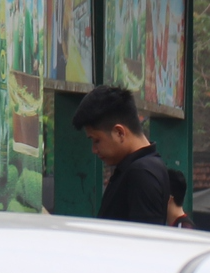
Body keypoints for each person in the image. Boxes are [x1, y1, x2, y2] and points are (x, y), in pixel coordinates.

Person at [72, 84, 171, 224]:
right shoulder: (149, 166)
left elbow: (144, 241)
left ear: (119, 133)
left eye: (96, 140)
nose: (94, 150)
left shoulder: (142, 173)